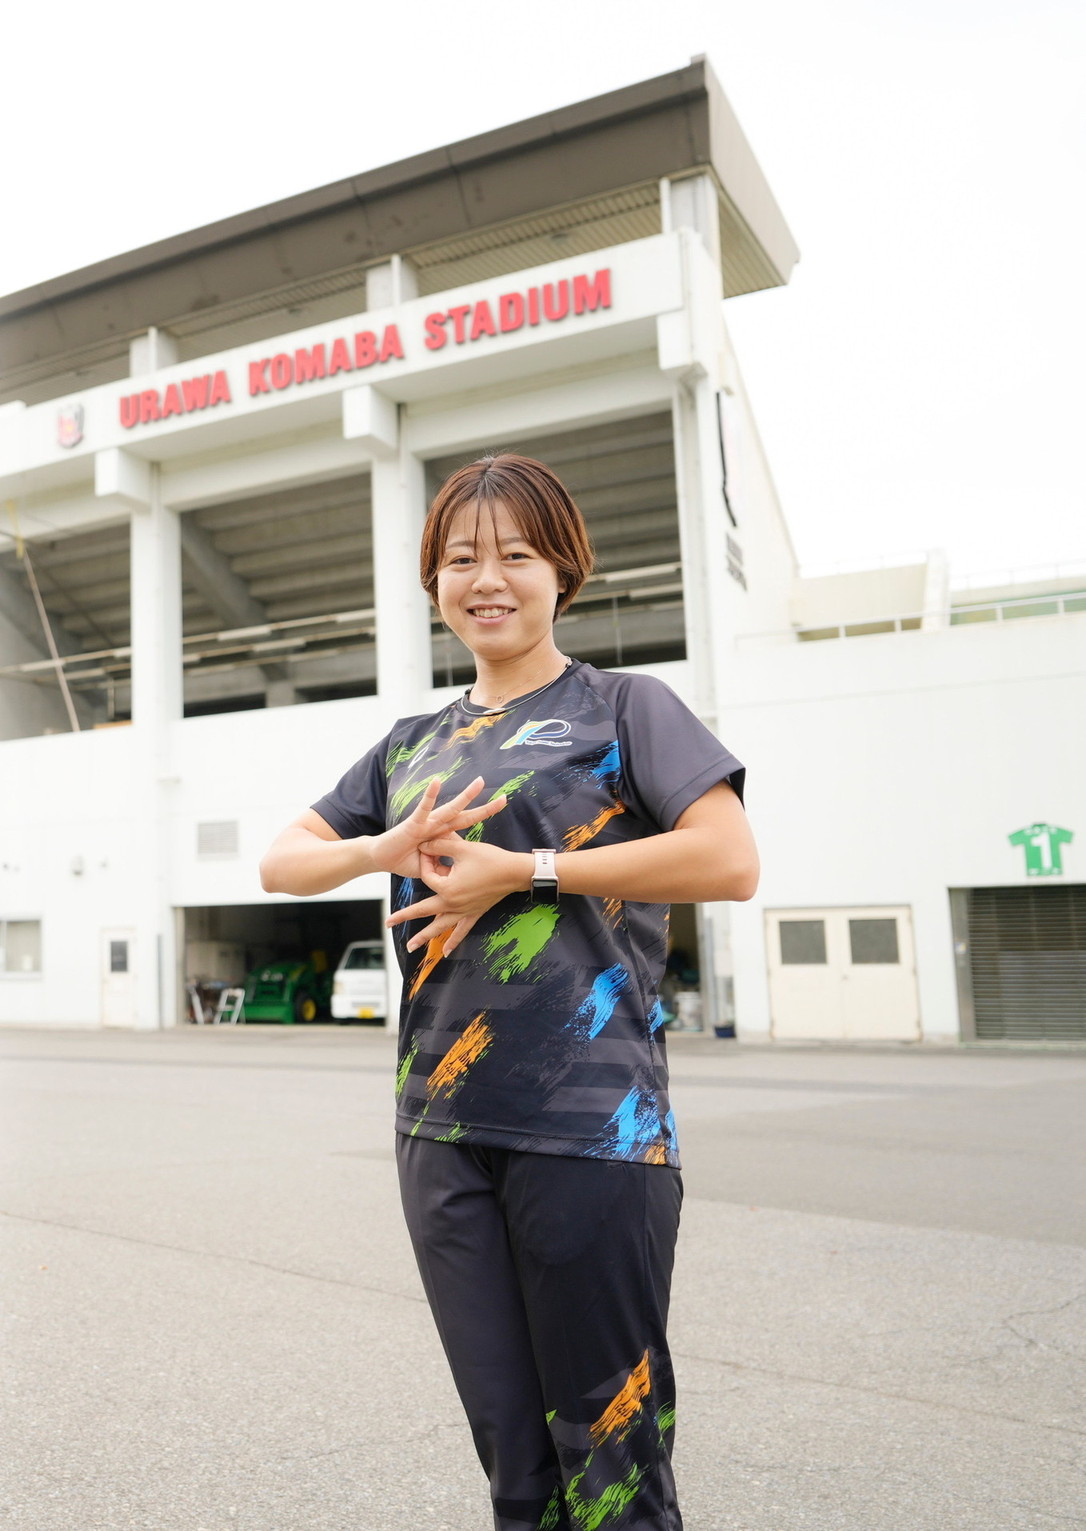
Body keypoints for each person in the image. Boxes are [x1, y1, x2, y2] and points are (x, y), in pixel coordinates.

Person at [260, 453, 758, 1531]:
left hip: (593, 1127)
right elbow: (281, 863)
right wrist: (380, 845)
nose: (487, 578)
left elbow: (727, 859)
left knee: (611, 1464)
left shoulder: (626, 705)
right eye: (460, 558)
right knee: (516, 1472)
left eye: (515, 554)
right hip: (440, 1128)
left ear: (563, 570)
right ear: (433, 583)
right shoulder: (409, 746)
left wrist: (528, 871)